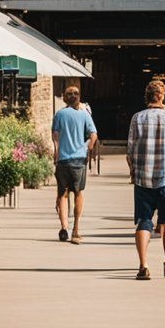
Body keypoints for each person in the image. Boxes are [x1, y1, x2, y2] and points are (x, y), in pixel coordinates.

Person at [126, 79, 165, 280]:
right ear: (162, 96)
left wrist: (133, 172)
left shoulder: (136, 118)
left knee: (143, 222)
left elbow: (131, 150)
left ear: (147, 96)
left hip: (142, 180)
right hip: (164, 178)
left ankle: (143, 265)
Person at [52, 86, 97, 244]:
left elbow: (55, 136)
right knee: (78, 193)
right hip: (79, 160)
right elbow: (93, 135)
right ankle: (76, 229)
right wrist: (87, 148)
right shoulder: (84, 115)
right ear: (78, 98)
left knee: (62, 195)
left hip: (63, 159)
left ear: (64, 98)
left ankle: (64, 227)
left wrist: (56, 153)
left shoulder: (59, 114)